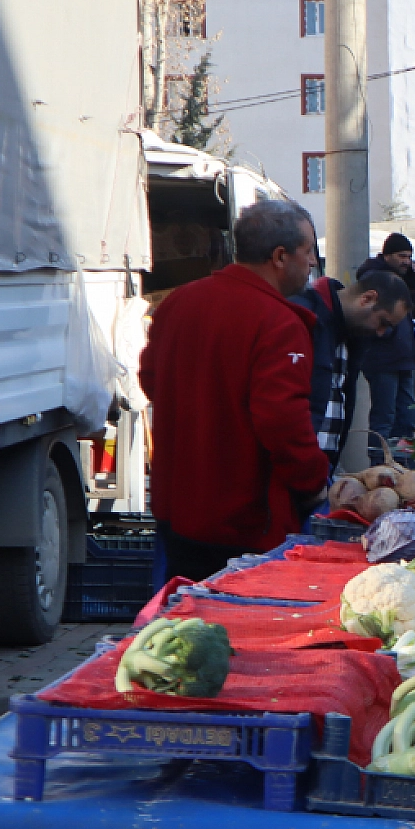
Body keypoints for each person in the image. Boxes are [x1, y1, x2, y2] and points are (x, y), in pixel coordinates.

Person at [140, 199, 328, 581]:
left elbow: (151, 380)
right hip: (245, 520)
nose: (312, 263)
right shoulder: (279, 322)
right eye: (308, 252)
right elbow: (282, 419)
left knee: (184, 623)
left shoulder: (178, 302)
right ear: (280, 256)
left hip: (179, 508)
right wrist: (314, 481)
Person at [290, 268, 413, 468]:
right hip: (296, 467)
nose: (381, 333)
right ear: (367, 299)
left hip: (318, 468)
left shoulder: (353, 336)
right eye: (383, 322)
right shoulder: (305, 318)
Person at [356, 234, 415, 452]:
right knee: (384, 418)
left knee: (407, 416)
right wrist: (386, 333)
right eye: (401, 256)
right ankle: (379, 466)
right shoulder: (376, 278)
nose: (406, 261)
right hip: (383, 359)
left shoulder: (400, 279)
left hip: (403, 358)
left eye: (409, 257)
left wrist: (412, 286)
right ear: (387, 256)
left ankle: (400, 468)